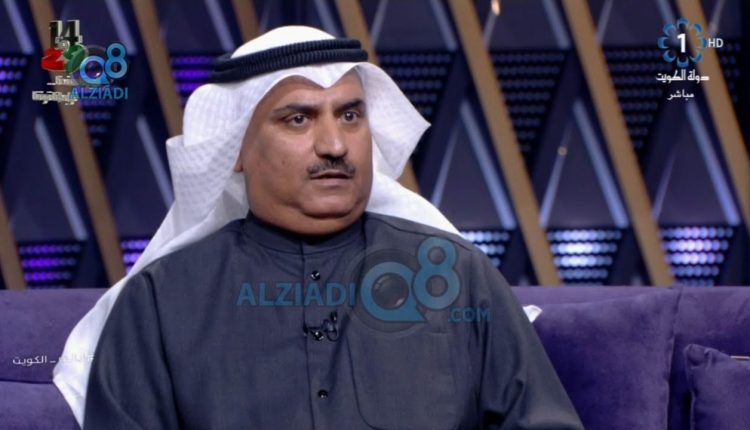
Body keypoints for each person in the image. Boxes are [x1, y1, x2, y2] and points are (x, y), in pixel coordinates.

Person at [55, 26, 583, 429]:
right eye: (298, 119)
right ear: (236, 150)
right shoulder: (160, 302)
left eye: (350, 116)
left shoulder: (457, 277)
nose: (334, 145)